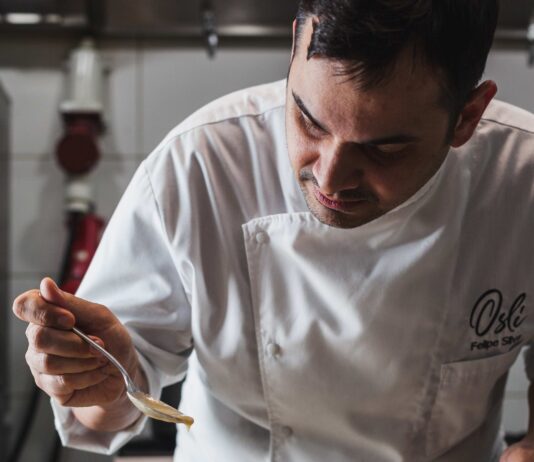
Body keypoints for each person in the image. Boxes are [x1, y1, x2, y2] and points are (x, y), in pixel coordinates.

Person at [12, 0, 534, 460]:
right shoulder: (200, 165)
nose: (330, 177)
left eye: (384, 149)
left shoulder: (522, 179)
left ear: (467, 116)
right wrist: (96, 380)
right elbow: (101, 414)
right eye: (309, 120)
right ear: (294, 45)